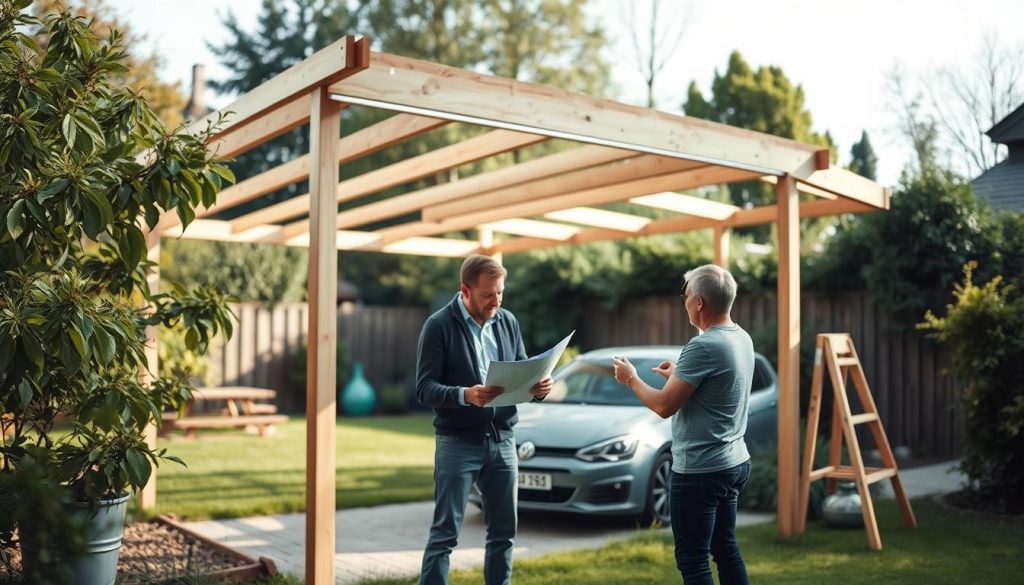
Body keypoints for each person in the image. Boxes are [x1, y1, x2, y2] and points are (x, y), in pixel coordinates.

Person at [612, 264, 753, 585]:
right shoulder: (740, 337)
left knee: (692, 558)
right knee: (726, 548)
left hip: (702, 470)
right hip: (732, 463)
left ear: (699, 302)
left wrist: (630, 378)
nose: (684, 301)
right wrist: (679, 375)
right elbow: (715, 387)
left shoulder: (703, 345)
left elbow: (663, 406)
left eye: (686, 294)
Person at [416, 254, 552, 585]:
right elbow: (424, 388)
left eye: (500, 293)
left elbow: (521, 369)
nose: (496, 301)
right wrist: (466, 395)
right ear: (465, 290)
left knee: (504, 532)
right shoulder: (438, 325)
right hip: (457, 444)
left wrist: (539, 387)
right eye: (488, 294)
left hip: (503, 441)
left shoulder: (507, 321)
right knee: (445, 534)